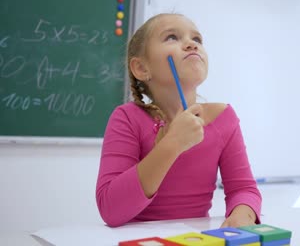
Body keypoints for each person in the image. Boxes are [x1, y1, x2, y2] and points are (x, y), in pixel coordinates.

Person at [95, 13, 262, 228]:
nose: (191, 45)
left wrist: (243, 214)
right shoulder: (126, 118)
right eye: (172, 37)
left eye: (197, 39)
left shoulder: (224, 119)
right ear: (141, 68)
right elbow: (110, 209)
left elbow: (243, 190)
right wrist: (172, 144)